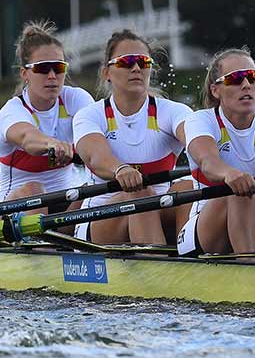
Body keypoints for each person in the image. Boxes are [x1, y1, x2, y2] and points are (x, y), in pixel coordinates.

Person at [177, 47, 255, 258]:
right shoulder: (201, 120)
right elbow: (208, 162)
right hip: (207, 234)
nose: (246, 84)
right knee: (239, 192)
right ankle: (253, 270)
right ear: (215, 90)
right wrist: (230, 174)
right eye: (235, 79)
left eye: (252, 77)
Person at [72, 30, 194, 246]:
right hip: (100, 220)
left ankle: (191, 257)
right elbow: (96, 158)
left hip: (159, 208)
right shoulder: (90, 115)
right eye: (127, 62)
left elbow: (195, 140)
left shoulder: (174, 112)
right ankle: (159, 267)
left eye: (143, 62)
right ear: (106, 72)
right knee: (139, 193)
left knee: (188, 187)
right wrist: (120, 170)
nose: (136, 68)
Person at [0, 21, 93, 205]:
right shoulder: (13, 110)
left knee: (91, 190)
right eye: (42, 68)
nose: (52, 76)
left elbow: (99, 137)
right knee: (34, 189)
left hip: (65, 207)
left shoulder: (77, 99)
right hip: (14, 212)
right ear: (25, 73)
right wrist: (51, 143)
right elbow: (27, 137)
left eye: (58, 68)